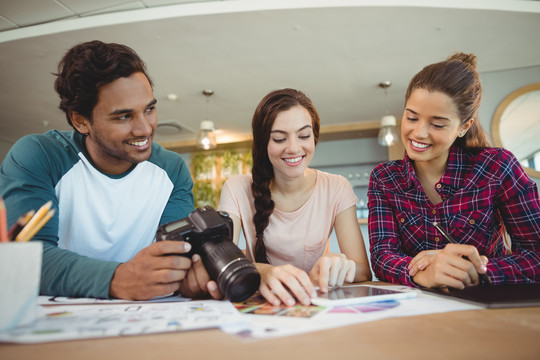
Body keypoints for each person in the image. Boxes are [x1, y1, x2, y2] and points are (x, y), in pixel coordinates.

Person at [0, 40, 221, 300]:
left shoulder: (172, 170)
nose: (145, 129)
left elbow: (178, 250)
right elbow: (26, 258)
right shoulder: (39, 155)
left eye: (149, 109)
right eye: (124, 116)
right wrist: (116, 278)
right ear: (80, 120)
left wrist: (190, 274)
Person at [368, 52, 540, 289]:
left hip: (488, 302)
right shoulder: (385, 178)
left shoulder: (497, 166)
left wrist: (476, 271)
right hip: (419, 309)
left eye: (437, 124)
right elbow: (382, 255)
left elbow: (536, 254)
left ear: (463, 126)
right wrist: (423, 273)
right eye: (411, 117)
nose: (419, 133)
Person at [218, 88, 372, 307]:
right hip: (260, 306)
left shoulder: (337, 187)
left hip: (315, 304)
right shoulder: (236, 188)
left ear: (315, 137)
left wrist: (340, 264)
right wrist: (262, 272)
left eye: (304, 135)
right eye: (279, 138)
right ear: (264, 144)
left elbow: (363, 272)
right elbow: (220, 261)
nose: (293, 148)